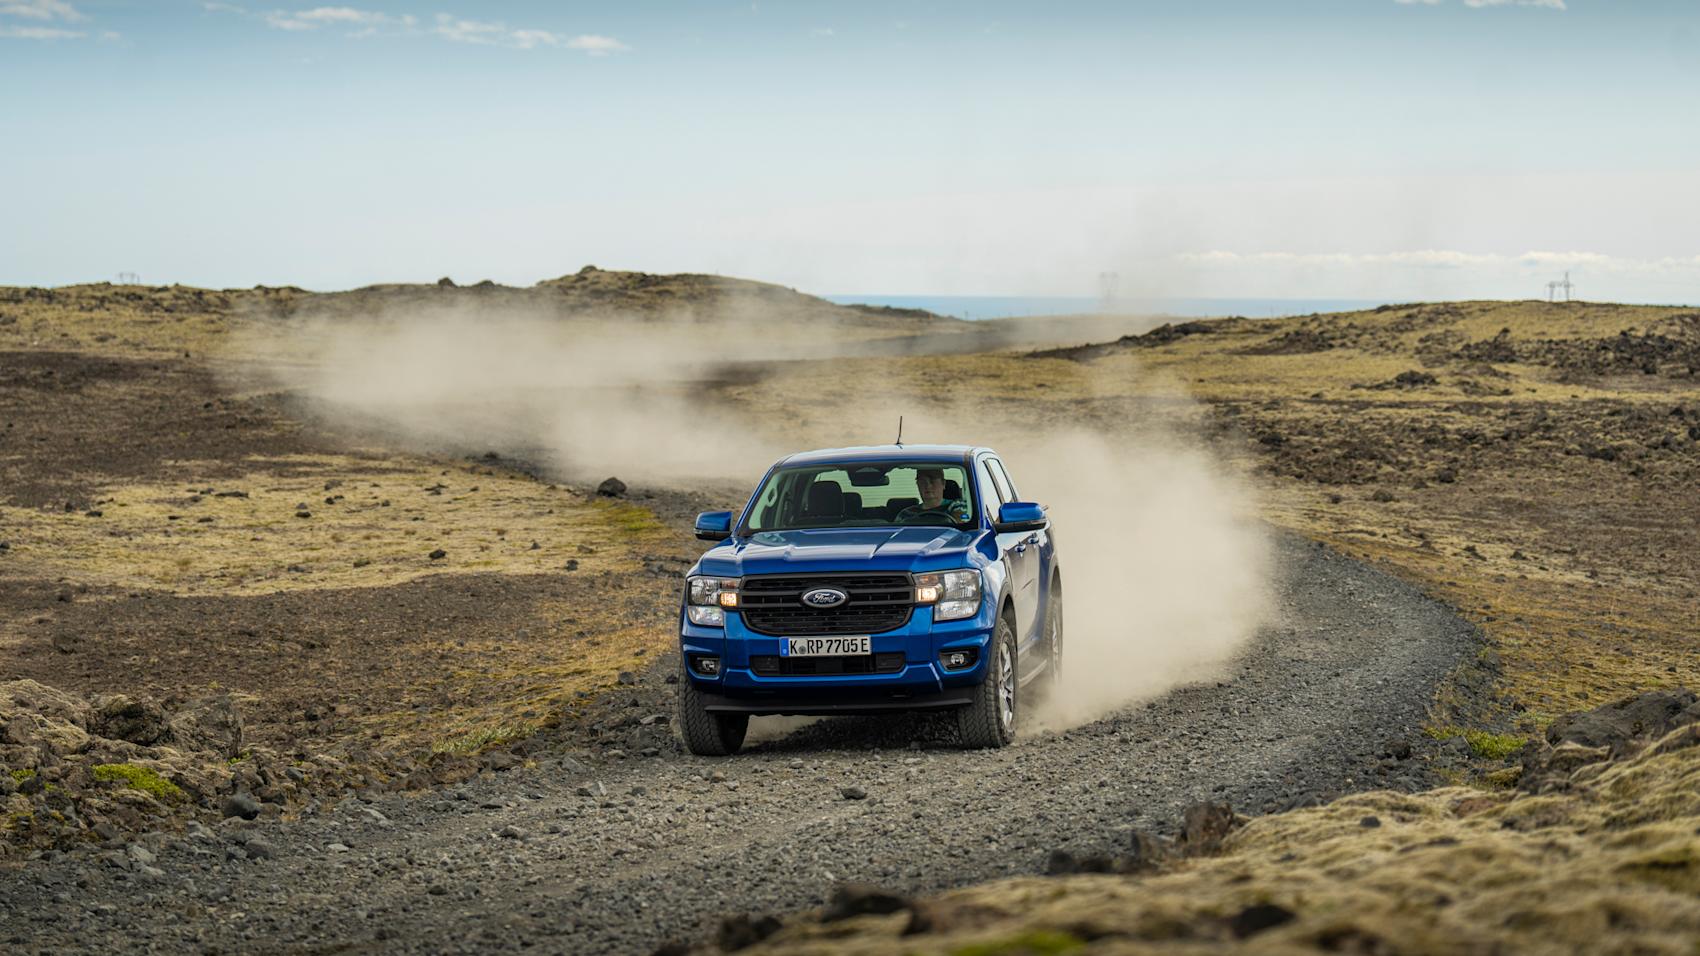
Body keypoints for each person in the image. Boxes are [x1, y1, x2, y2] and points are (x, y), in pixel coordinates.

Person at [895, 467, 971, 524]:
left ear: (943, 484)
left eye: (932, 480)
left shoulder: (958, 506)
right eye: (923, 481)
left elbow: (961, 528)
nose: (928, 486)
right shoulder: (906, 514)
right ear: (917, 485)